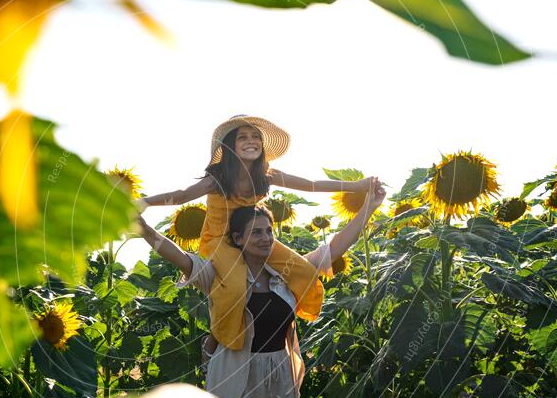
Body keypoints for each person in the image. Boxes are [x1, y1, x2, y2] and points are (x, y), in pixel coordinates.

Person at [137, 180, 386, 398]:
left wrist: (370, 206)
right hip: (235, 373)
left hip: (279, 373)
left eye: (269, 231)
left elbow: (333, 250)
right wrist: (145, 229)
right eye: (256, 232)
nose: (265, 238)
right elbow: (181, 258)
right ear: (238, 238)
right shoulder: (219, 276)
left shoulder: (287, 275)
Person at [138, 115, 379, 352]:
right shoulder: (218, 178)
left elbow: (311, 184)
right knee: (234, 286)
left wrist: (356, 186)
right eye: (242, 137)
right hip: (220, 241)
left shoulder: (266, 175)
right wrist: (145, 202)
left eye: (256, 137)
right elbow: (182, 196)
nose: (251, 141)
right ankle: (218, 341)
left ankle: (278, 324)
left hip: (253, 236)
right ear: (230, 145)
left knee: (302, 270)